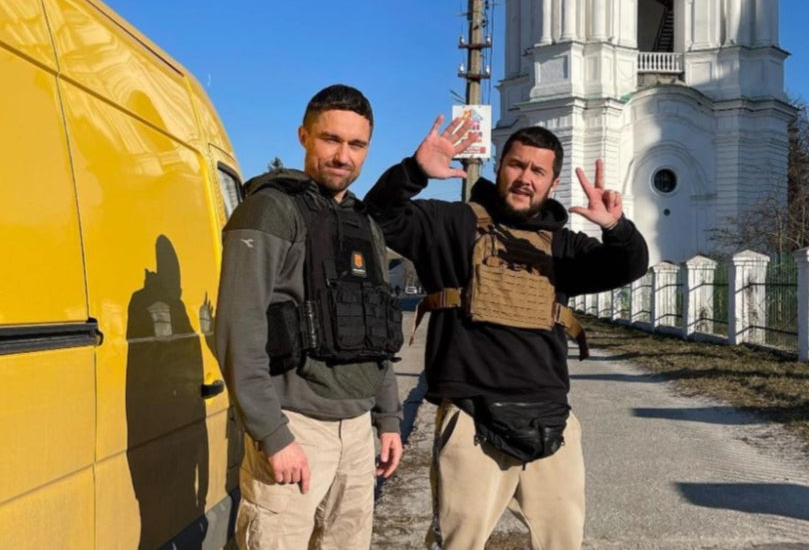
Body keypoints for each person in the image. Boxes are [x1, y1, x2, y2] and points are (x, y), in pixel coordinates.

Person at [363, 117, 649, 550]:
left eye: (538, 171)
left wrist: (616, 227)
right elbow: (378, 217)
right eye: (517, 165)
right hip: (471, 417)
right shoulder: (452, 225)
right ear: (500, 168)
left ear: (552, 184)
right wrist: (414, 172)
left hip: (551, 418)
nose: (524, 179)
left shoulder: (564, 247)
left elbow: (627, 265)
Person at [215, 84, 404, 550]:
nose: (343, 156)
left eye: (356, 144)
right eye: (330, 139)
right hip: (296, 426)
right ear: (304, 136)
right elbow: (237, 330)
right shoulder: (269, 210)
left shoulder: (366, 226)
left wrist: (389, 419)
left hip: (358, 435)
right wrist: (272, 436)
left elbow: (375, 330)